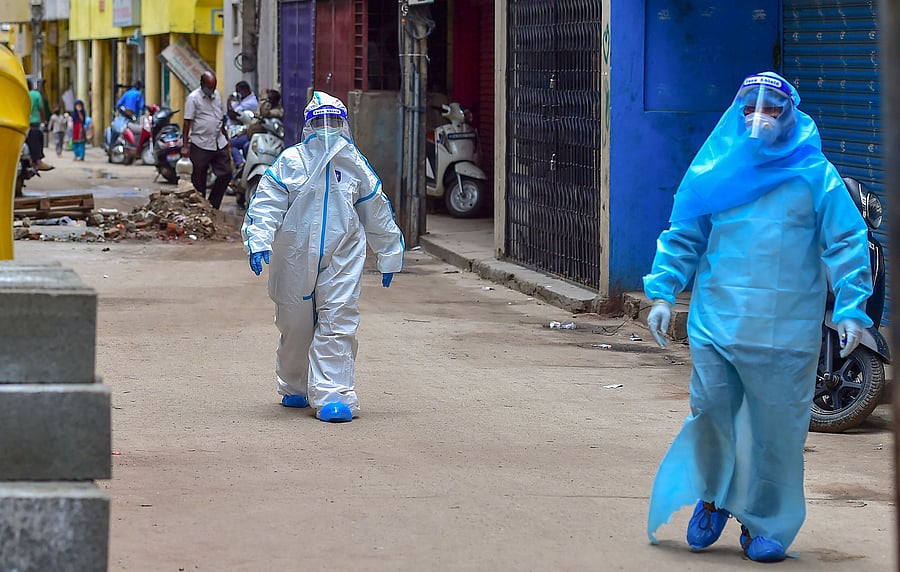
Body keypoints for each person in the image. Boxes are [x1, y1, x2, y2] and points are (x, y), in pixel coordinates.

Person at [643, 71, 873, 562]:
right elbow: (684, 232)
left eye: (772, 108)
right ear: (738, 113)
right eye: (751, 108)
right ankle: (711, 499)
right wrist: (662, 291)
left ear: (790, 115)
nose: (760, 117)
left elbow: (847, 241)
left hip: (786, 329)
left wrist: (853, 307)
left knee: (777, 430)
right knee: (711, 413)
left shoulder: (815, 176)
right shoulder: (716, 170)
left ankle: (762, 523)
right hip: (718, 320)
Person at [241, 91, 405, 423]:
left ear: (344, 125)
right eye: (320, 121)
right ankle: (295, 383)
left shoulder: (354, 164)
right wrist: (258, 240)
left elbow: (376, 209)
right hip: (294, 256)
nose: (327, 128)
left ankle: (334, 394)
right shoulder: (291, 162)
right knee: (296, 325)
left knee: (338, 320)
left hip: (343, 255)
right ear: (309, 126)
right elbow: (267, 203)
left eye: (333, 121)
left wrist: (389, 251)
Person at [181, 71, 232, 209]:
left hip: (218, 141)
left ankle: (213, 205)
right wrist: (185, 145)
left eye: (214, 87)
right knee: (199, 179)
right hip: (200, 143)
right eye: (209, 87)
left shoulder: (217, 96)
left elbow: (220, 118)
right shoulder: (193, 98)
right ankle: (201, 208)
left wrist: (226, 138)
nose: (212, 90)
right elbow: (187, 122)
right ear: (202, 84)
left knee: (226, 173)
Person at [226, 80, 259, 170]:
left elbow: (232, 114)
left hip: (247, 131)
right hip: (237, 130)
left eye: (238, 91)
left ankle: (239, 163)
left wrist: (228, 101)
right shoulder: (242, 100)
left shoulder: (251, 103)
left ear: (244, 90)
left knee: (231, 144)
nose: (237, 93)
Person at [26, 79, 52, 171]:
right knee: (37, 139)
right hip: (34, 122)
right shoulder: (36, 94)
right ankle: (37, 161)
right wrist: (44, 120)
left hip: (20, 123)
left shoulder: (18, 93)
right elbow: (41, 109)